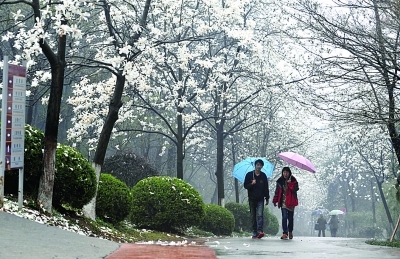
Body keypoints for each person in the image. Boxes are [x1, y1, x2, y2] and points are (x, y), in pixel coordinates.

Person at [244, 159, 270, 239]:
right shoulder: (249, 175)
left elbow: (266, 187)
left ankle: (260, 231)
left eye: (260, 165)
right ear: (255, 165)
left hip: (260, 198)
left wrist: (267, 197)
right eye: (257, 165)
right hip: (252, 198)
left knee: (260, 215)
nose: (259, 166)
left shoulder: (263, 176)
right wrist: (252, 183)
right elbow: (245, 186)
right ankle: (255, 231)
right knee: (253, 215)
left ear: (262, 166)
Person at [272, 166, 299, 240]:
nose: (285, 174)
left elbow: (295, 189)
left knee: (290, 218)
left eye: (287, 172)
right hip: (283, 202)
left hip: (291, 202)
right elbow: (277, 192)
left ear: (289, 173)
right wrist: (275, 200)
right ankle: (285, 233)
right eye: (284, 172)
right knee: (284, 217)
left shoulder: (293, 180)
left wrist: (290, 184)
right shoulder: (280, 181)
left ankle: (290, 231)